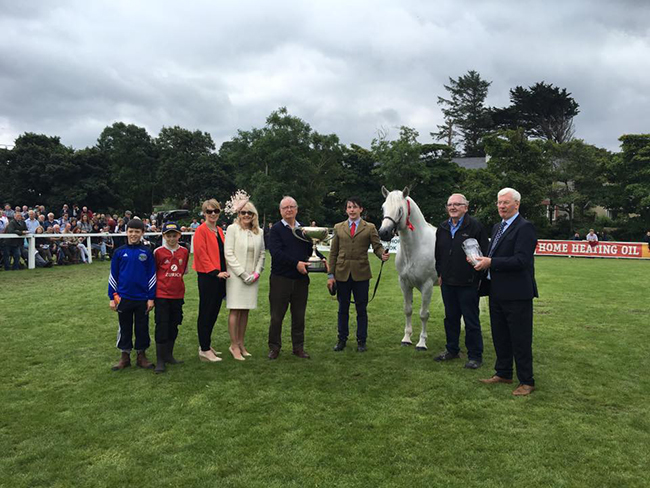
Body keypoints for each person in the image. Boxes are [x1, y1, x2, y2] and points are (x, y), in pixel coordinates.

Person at [473, 188, 538, 396]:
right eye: (499, 203)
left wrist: (491, 262)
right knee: (500, 335)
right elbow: (495, 255)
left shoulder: (525, 227)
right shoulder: (497, 227)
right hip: (497, 291)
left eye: (506, 203)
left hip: (518, 293)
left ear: (517, 204)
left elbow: (521, 260)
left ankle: (526, 381)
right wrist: (480, 260)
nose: (501, 206)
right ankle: (503, 373)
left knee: (520, 338)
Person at [433, 193, 489, 368]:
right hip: (448, 282)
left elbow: (484, 255)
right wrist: (440, 274)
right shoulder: (442, 227)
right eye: (450, 204)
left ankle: (475, 356)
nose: (453, 207)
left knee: (471, 320)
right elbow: (439, 255)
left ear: (466, 207)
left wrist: (478, 279)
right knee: (450, 318)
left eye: (457, 204)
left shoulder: (475, 227)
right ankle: (452, 350)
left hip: (468, 282)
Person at [327, 197, 389, 352]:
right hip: (342, 274)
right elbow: (333, 253)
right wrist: (330, 275)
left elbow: (377, 246)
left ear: (361, 209)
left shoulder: (369, 227)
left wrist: (382, 255)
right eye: (349, 207)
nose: (352, 210)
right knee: (343, 308)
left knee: (361, 309)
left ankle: (361, 340)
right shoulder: (338, 227)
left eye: (355, 207)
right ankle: (342, 339)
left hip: (361, 274)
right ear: (346, 210)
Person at [267, 196, 325, 360]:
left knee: (299, 316)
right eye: (285, 207)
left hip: (301, 280)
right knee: (277, 316)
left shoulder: (303, 230)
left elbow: (310, 249)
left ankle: (298, 347)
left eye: (291, 207)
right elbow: (276, 253)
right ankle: (274, 347)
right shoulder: (276, 230)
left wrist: (322, 259)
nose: (289, 210)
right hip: (281, 279)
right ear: (280, 211)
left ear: (297, 209)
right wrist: (296, 264)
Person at [108, 218, 157, 371]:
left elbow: (152, 276)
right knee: (124, 327)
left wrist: (151, 297)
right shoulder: (119, 252)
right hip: (123, 297)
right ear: (126, 232)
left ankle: (141, 355)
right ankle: (125, 356)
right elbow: (113, 276)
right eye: (131, 231)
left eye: (137, 232)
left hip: (142, 298)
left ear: (142, 233)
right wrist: (112, 297)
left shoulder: (147, 253)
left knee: (142, 327)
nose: (134, 234)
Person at [224, 195, 265, 361]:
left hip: (252, 276)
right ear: (238, 214)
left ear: (254, 214)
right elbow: (229, 253)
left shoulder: (259, 231)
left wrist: (256, 273)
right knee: (235, 310)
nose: (246, 215)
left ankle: (241, 343)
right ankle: (233, 345)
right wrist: (242, 273)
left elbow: (262, 253)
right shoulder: (233, 229)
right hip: (236, 276)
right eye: (243, 212)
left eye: (249, 212)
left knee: (245, 310)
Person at [192, 199, 229, 363]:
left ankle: (206, 344)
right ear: (204, 213)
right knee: (206, 312)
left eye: (215, 211)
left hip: (220, 277)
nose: (213, 214)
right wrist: (215, 273)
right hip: (208, 277)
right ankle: (204, 348)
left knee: (213, 312)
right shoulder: (201, 231)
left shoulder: (219, 230)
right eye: (209, 211)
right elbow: (201, 254)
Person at [153, 222, 190, 374]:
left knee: (174, 324)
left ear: (179, 236)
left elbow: (184, 271)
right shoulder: (158, 252)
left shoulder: (184, 252)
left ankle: (169, 355)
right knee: (162, 324)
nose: (172, 238)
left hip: (177, 294)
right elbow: (153, 272)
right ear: (164, 236)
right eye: (169, 236)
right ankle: (160, 360)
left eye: (174, 235)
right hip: (162, 294)